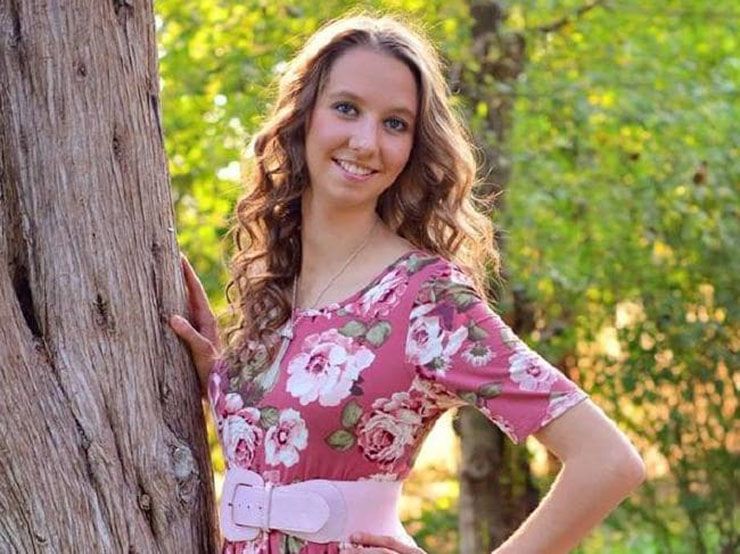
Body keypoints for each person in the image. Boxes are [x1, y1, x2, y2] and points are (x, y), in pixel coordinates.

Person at [168, 14, 645, 554]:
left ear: (414, 146)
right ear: (303, 115)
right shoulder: (275, 284)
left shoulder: (429, 301)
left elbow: (608, 462)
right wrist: (218, 377)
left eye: (395, 123)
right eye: (346, 108)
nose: (366, 142)